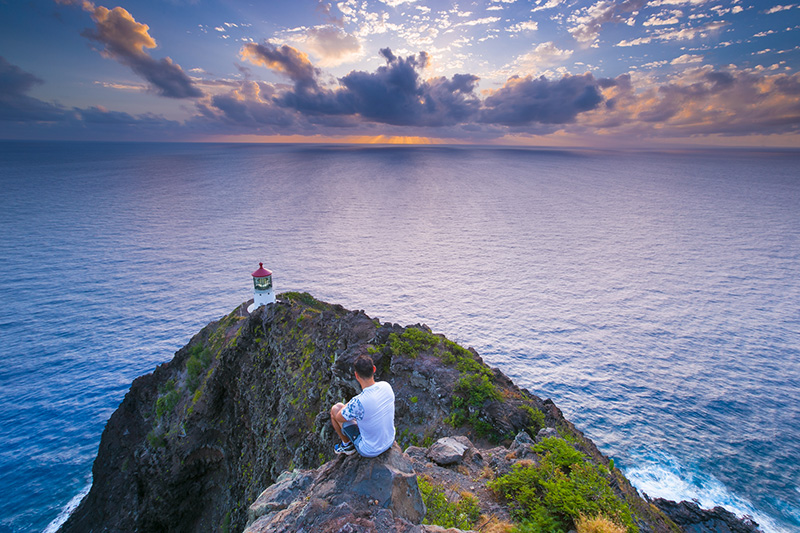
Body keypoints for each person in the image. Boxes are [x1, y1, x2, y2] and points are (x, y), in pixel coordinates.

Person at [330, 354, 395, 457]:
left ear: (356, 375)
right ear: (374, 369)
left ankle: (347, 445)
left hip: (370, 450)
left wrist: (352, 401)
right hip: (389, 441)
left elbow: (339, 417)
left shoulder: (358, 402)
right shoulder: (386, 386)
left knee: (335, 409)